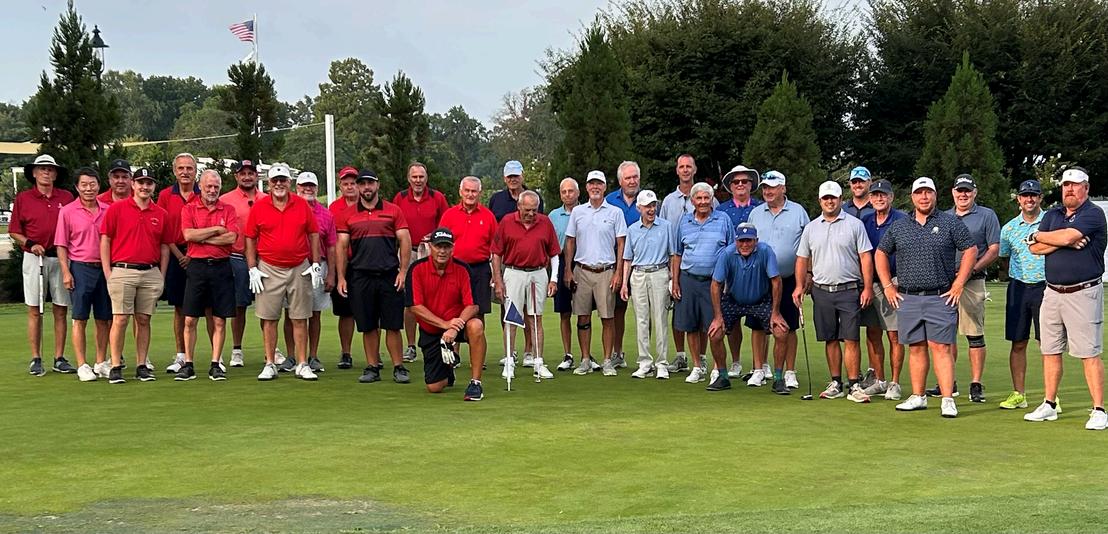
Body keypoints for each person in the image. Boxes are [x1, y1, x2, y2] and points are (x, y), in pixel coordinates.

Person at [876, 177, 976, 418]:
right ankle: (918, 396)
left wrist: (959, 283)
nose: (924, 197)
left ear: (935, 195)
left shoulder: (950, 223)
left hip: (940, 296)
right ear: (912, 197)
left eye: (928, 192)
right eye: (919, 193)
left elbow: (970, 249)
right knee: (916, 347)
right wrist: (888, 286)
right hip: (908, 297)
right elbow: (881, 253)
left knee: (941, 347)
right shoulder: (900, 226)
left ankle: (947, 399)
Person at [1023, 167, 1107, 430]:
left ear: (1086, 188)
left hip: (1083, 292)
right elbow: (1035, 249)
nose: (1069, 189)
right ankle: (1049, 404)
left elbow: (1060, 236)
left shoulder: (1093, 213)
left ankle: (1099, 410)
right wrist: (1061, 240)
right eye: (1066, 185)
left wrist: (1040, 235)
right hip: (1052, 292)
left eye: (1075, 185)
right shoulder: (1053, 214)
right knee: (1050, 350)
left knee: (1088, 352)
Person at [794, 181, 874, 403]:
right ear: (820, 201)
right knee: (830, 338)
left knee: (851, 338)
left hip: (849, 289)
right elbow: (802, 258)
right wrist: (799, 286)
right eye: (826, 198)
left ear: (840, 199)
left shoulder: (855, 225)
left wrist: (868, 287)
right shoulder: (811, 228)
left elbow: (865, 257)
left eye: (833, 197)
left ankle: (854, 384)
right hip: (821, 291)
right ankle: (836, 383)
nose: (829, 201)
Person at [244, 163, 324, 382]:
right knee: (269, 318)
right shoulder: (260, 207)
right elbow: (250, 237)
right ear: (269, 183)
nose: (279, 184)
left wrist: (315, 263)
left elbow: (313, 233)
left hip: (299, 267)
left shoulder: (301, 205)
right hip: (269, 267)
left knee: (300, 317)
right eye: (275, 180)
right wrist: (252, 267)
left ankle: (302, 363)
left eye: (283, 180)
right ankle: (270, 363)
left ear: (289, 182)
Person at [335, 169, 412, 384]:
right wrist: (341, 277)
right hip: (360, 275)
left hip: (389, 274)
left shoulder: (393, 210)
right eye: (362, 184)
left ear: (377, 185)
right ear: (358, 187)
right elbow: (341, 247)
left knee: (393, 324)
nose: (366, 187)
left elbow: (405, 240)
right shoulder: (347, 214)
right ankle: (372, 367)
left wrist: (403, 271)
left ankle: (398, 366)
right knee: (368, 325)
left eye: (370, 183)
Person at [929, 174, 1000, 403]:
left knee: (974, 334)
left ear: (974, 192)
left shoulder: (986, 215)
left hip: (973, 281)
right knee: (945, 334)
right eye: (960, 190)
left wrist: (970, 270)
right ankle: (947, 383)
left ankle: (976, 384)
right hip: (945, 283)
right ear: (953, 192)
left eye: (967, 190)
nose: (963, 194)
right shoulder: (943, 217)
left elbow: (994, 249)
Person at [99, 167, 173, 384]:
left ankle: (142, 365)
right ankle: (115, 365)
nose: (144, 187)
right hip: (122, 270)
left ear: (154, 186)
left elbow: (165, 247)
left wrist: (161, 274)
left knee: (143, 319)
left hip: (150, 271)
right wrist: (108, 271)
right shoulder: (117, 209)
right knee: (120, 319)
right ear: (133, 184)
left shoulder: (161, 214)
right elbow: (105, 240)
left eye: (149, 183)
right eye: (141, 182)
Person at [12, 154, 75, 376]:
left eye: (50, 169)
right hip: (34, 257)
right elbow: (14, 231)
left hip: (60, 257)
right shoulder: (24, 198)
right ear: (34, 173)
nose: (46, 172)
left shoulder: (66, 197)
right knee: (34, 309)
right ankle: (36, 358)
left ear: (55, 174)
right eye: (42, 169)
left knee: (61, 308)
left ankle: (59, 358)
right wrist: (30, 243)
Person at [407, 228, 487, 401]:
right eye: (438, 246)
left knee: (476, 325)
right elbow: (415, 307)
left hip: (457, 324)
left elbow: (473, 305)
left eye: (446, 247)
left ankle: (476, 383)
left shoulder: (462, 269)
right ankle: (448, 369)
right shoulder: (417, 269)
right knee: (435, 387)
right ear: (430, 247)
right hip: (432, 329)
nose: (442, 251)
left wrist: (454, 327)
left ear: (452, 248)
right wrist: (444, 324)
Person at [707, 225, 790, 392]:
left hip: (760, 299)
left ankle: (779, 379)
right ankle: (723, 377)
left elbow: (776, 281)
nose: (745, 245)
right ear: (736, 241)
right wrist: (717, 317)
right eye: (741, 241)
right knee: (715, 334)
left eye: (749, 241)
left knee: (781, 331)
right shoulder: (727, 254)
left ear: (756, 241)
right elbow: (716, 284)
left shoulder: (766, 251)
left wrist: (775, 313)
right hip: (734, 299)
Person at [746, 171, 807, 390]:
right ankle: (758, 370)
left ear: (783, 188)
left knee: (789, 326)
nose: (767, 191)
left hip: (788, 278)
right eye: (765, 187)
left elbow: (807, 247)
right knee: (757, 326)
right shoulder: (755, 213)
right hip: (760, 280)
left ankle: (789, 372)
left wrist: (806, 276)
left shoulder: (798, 212)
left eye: (772, 187)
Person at [491, 191, 560, 380]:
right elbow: (496, 254)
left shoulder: (545, 222)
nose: (531, 214)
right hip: (513, 273)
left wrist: (553, 279)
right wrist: (498, 280)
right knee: (512, 318)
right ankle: (509, 362)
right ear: (519, 206)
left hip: (538, 273)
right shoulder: (507, 221)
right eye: (527, 210)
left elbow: (554, 253)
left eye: (534, 210)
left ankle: (538, 362)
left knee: (536, 318)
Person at [564, 170, 627, 376]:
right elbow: (570, 241)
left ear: (605, 187)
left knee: (607, 317)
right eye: (591, 184)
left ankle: (607, 360)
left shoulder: (615, 212)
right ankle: (585, 359)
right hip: (582, 270)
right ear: (586, 187)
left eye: (599, 183)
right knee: (582, 317)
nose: (595, 187)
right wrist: (568, 269)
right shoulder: (578, 212)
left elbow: (621, 243)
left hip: (606, 271)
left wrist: (618, 272)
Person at [177, 170, 238, 381]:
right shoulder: (189, 208)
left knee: (219, 319)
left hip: (221, 267)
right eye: (209, 186)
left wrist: (201, 237)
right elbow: (188, 235)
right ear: (200, 186)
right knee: (190, 319)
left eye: (216, 187)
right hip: (197, 267)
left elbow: (231, 238)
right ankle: (188, 364)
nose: (212, 190)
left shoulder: (228, 209)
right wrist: (216, 229)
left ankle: (215, 363)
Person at [659, 154, 718, 373]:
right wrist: (671, 273)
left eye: (688, 166)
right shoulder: (668, 201)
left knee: (702, 316)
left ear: (694, 170)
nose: (685, 170)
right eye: (681, 166)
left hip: (703, 267)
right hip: (675, 264)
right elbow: (663, 231)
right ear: (677, 170)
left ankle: (701, 358)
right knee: (680, 313)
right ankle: (681, 356)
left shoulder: (708, 197)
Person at [275, 171, 337, 376]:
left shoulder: (326, 214)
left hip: (318, 266)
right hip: (293, 266)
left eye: (311, 185)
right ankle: (291, 356)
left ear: (317, 188)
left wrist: (331, 274)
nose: (308, 189)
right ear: (297, 187)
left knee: (315, 313)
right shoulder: (288, 209)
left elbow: (331, 246)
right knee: (290, 312)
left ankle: (313, 356)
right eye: (304, 185)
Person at [672, 182, 734, 384]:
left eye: (706, 198)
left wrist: (728, 281)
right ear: (692, 201)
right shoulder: (684, 221)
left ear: (712, 199)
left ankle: (717, 367)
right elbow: (677, 253)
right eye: (699, 198)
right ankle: (697, 366)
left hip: (714, 282)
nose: (703, 202)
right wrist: (675, 282)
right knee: (690, 325)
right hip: (688, 278)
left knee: (714, 326)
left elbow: (731, 251)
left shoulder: (723, 219)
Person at [55, 168, 110, 381]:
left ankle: (100, 362)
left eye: (92, 184)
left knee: (104, 319)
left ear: (99, 185)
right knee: (80, 318)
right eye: (84, 184)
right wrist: (66, 271)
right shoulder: (68, 211)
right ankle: (82, 364)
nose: (89, 188)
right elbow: (61, 245)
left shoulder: (108, 209)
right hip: (80, 268)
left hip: (104, 268)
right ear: (77, 187)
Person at [392, 162, 449, 364]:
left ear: (426, 178)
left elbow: (446, 225)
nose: (418, 180)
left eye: (421, 177)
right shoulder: (400, 198)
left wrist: (434, 236)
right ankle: (410, 345)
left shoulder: (437, 198)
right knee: (410, 301)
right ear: (409, 179)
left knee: (435, 298)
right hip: (407, 252)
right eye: (414, 177)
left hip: (431, 252)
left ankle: (438, 341)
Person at [996, 179, 1045, 409]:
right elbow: (1004, 258)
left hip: (1046, 287)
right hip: (1019, 288)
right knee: (1018, 342)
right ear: (1019, 199)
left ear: (1040, 198)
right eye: (1025, 195)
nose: (1029, 199)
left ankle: (1051, 397)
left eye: (1034, 195)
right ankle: (1019, 394)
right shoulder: (1009, 228)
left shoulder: (1051, 222)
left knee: (1047, 344)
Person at [858, 179, 909, 400]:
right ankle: (880, 380)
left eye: (883, 195)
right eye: (875, 195)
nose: (879, 198)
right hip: (871, 283)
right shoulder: (865, 221)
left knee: (894, 334)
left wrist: (900, 281)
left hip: (895, 283)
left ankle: (894, 383)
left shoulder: (902, 219)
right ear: (870, 199)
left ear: (891, 197)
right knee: (872, 332)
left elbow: (909, 252)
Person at [621, 190, 676, 379]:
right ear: (639, 208)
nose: (651, 210)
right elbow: (628, 259)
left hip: (660, 273)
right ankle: (645, 363)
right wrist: (624, 283)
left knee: (660, 319)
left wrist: (673, 279)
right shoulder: (632, 230)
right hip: (638, 275)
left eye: (653, 205)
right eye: (647, 206)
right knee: (642, 320)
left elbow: (672, 255)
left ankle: (661, 363)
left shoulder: (666, 226)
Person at [716, 164, 764, 380]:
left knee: (760, 320)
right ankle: (735, 362)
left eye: (745, 181)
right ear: (730, 186)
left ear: (751, 184)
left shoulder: (760, 207)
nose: (741, 184)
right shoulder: (722, 210)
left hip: (757, 271)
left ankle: (760, 364)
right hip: (732, 272)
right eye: (736, 182)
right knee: (732, 320)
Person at [157, 153, 202, 375]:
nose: (185, 172)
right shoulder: (166, 195)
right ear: (175, 171)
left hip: (200, 254)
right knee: (179, 308)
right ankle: (181, 355)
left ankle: (216, 358)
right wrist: (179, 254)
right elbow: (163, 230)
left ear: (195, 171)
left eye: (189, 168)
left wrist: (192, 253)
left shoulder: (203, 194)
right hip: (175, 255)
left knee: (208, 307)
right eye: (181, 168)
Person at [219, 159, 266, 367]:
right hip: (237, 258)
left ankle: (271, 349)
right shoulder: (225, 200)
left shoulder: (267, 199)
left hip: (264, 258)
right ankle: (237, 349)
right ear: (236, 176)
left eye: (251, 173)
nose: (247, 177)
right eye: (243, 173)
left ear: (256, 175)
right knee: (239, 306)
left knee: (268, 306)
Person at [438, 176, 498, 327]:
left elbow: (496, 248)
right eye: (467, 191)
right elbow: (439, 246)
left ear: (480, 193)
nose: (470, 194)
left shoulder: (488, 216)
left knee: (479, 311)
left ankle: (477, 342)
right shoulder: (449, 215)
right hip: (454, 269)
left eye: (474, 191)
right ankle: (453, 343)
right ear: (461, 192)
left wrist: (496, 274)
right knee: (452, 311)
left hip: (480, 269)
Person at [604, 161, 643, 369]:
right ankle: (617, 352)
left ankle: (646, 357)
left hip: (642, 263)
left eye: (635, 177)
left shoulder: (647, 200)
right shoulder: (610, 201)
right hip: (617, 263)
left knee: (644, 312)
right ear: (620, 181)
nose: (632, 181)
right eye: (628, 178)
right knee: (617, 310)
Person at [328, 165, 361, 369]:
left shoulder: (367, 204)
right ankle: (346, 352)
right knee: (346, 312)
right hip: (343, 263)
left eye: (353, 183)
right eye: (346, 183)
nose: (350, 186)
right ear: (340, 186)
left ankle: (374, 353)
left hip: (365, 263)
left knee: (371, 310)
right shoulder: (334, 208)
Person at [549, 178, 580, 371]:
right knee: (564, 312)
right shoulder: (553, 215)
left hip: (582, 262)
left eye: (571, 191)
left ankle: (586, 355)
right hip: (560, 262)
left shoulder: (585, 211)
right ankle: (568, 354)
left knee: (584, 312)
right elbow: (550, 244)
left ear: (578, 193)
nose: (567, 194)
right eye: (564, 192)